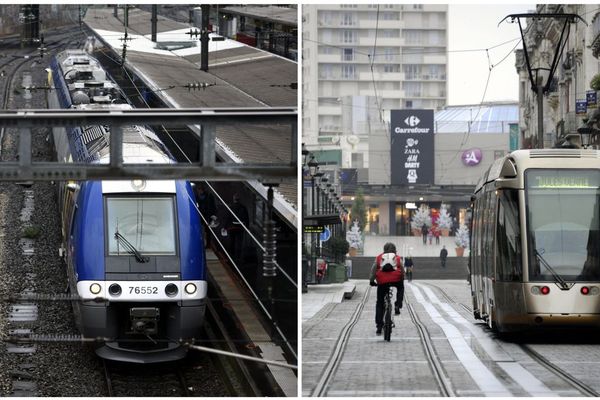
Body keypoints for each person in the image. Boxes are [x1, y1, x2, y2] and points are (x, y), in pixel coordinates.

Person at [369, 242, 405, 335]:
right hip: (395, 279)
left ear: (384, 249)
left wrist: (372, 281)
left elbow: (373, 269)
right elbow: (402, 268)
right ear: (395, 250)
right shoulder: (397, 257)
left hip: (382, 281)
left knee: (380, 303)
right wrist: (401, 279)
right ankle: (398, 304)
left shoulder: (379, 257)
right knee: (400, 287)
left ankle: (379, 326)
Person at [225, 193, 249, 265]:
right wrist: (247, 227)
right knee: (239, 243)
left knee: (232, 242)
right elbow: (246, 218)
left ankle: (231, 257)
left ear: (234, 199)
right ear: (239, 199)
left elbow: (228, 217)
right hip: (240, 227)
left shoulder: (231, 207)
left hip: (232, 227)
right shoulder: (243, 207)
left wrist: (225, 227)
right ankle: (238, 258)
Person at [195, 183, 217, 248]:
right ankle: (201, 243)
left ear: (202, 190)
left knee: (208, 230)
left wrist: (213, 214)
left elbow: (213, 206)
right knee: (200, 229)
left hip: (207, 214)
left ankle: (208, 244)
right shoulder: (197, 197)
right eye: (198, 190)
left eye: (200, 190)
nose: (199, 191)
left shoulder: (209, 196)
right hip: (200, 214)